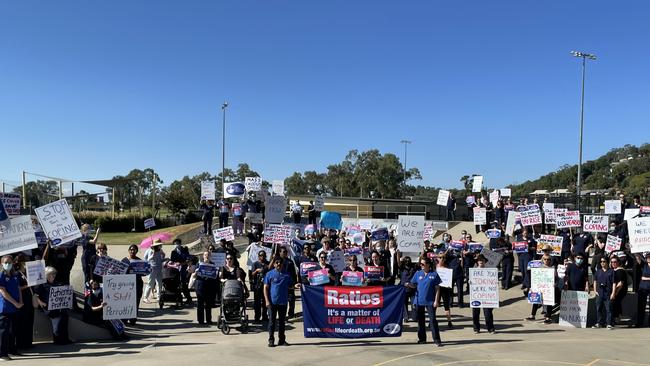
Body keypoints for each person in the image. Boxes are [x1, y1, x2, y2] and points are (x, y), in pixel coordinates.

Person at [408, 257, 442, 347]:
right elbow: (413, 285)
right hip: (419, 301)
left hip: (430, 301)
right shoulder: (418, 273)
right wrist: (408, 284)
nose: (421, 265)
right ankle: (422, 338)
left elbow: (438, 289)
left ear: (428, 264)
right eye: (420, 264)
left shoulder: (434, 274)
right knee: (421, 321)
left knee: (433, 320)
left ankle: (437, 340)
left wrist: (436, 300)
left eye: (423, 264)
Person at [34, 266, 72, 345]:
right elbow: (35, 296)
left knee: (65, 317)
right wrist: (41, 303)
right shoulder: (41, 285)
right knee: (57, 320)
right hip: (48, 307)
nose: (53, 276)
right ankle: (58, 340)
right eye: (51, 274)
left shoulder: (56, 283)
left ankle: (65, 339)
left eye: (54, 274)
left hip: (58, 306)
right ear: (46, 275)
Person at [264, 258, 291, 347]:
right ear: (274, 264)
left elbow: (290, 286)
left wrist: (296, 285)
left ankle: (282, 340)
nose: (278, 264)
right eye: (277, 262)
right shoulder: (269, 274)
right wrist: (267, 300)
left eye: (280, 262)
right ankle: (271, 340)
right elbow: (265, 288)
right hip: (272, 302)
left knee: (282, 322)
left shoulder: (286, 274)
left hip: (283, 302)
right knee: (272, 322)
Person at [0, 255, 22, 360]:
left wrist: (20, 301)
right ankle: (2, 354)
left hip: (15, 307)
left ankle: (12, 350)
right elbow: (3, 292)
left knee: (13, 330)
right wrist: (15, 303)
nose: (8, 264)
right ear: (2, 264)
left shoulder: (15, 275)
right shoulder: (1, 275)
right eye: (6, 262)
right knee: (3, 331)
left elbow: (18, 289)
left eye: (9, 262)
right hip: (5, 307)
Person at [525, 254, 557, 324]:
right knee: (536, 301)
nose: (546, 261)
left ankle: (548, 317)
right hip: (539, 287)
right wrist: (532, 286)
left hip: (548, 289)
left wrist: (555, 283)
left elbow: (556, 279)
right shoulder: (538, 268)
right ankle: (532, 315)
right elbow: (534, 278)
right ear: (542, 260)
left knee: (548, 302)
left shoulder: (552, 269)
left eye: (548, 259)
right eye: (545, 259)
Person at [472, 254, 495, 334]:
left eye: (482, 260)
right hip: (476, 294)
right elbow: (470, 281)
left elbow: (493, 283)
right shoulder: (473, 271)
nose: (481, 261)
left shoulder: (489, 271)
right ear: (477, 262)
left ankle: (490, 328)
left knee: (488, 312)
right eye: (479, 260)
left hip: (486, 295)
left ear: (485, 262)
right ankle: (476, 328)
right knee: (475, 312)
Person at [194, 251, 218, 325]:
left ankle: (208, 320)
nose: (206, 256)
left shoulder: (213, 264)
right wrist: (196, 271)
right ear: (203, 256)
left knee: (208, 304)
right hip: (200, 286)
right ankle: (200, 320)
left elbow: (215, 276)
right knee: (200, 304)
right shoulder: (199, 264)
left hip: (209, 286)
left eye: (208, 255)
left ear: (210, 256)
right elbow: (194, 275)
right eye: (205, 255)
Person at [276, 247, 297, 318]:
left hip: (289, 284)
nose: (285, 253)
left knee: (291, 299)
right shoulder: (276, 262)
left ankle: (291, 313)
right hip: (280, 284)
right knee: (282, 301)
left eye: (286, 252)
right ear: (279, 252)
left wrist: (295, 283)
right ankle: (282, 315)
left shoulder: (290, 262)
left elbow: (293, 273)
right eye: (283, 252)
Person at [593, 256, 614, 329]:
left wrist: (613, 293)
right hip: (599, 292)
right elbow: (595, 281)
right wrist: (595, 290)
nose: (602, 263)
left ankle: (609, 323)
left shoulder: (611, 271)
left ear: (607, 262)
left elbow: (614, 283)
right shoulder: (598, 271)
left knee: (608, 309)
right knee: (599, 308)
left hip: (608, 293)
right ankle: (599, 323)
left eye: (604, 261)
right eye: (601, 262)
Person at [170, 239, 193, 306]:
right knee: (177, 284)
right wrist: (174, 263)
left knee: (184, 284)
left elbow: (188, 259)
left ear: (180, 243)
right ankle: (179, 299)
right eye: (175, 244)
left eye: (177, 243)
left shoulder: (185, 249)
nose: (176, 245)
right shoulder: (173, 252)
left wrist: (182, 263)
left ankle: (188, 298)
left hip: (184, 269)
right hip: (176, 269)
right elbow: (172, 260)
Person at [250, 250, 270, 323]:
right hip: (257, 286)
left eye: (264, 255)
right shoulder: (255, 264)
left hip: (266, 286)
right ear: (258, 256)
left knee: (265, 302)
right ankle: (257, 317)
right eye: (261, 255)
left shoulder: (268, 264)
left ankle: (265, 316)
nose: (262, 257)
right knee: (257, 303)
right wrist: (256, 271)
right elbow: (251, 274)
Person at [436, 253, 454, 329]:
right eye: (440, 257)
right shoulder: (434, 267)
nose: (442, 259)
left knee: (446, 306)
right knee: (434, 305)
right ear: (437, 258)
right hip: (436, 288)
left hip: (444, 288)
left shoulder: (447, 268)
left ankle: (449, 321)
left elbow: (450, 278)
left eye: (443, 257)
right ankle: (432, 320)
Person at [611, 255, 628, 324]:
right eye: (612, 262)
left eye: (615, 262)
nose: (613, 263)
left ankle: (617, 318)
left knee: (615, 303)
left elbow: (621, 283)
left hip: (620, 290)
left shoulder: (620, 270)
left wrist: (615, 292)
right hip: (617, 290)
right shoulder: (614, 270)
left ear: (618, 262)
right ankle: (617, 317)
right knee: (616, 304)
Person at [635, 252, 650, 328]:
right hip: (643, 287)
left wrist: (645, 278)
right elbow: (638, 259)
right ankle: (639, 323)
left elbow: (643, 277)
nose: (648, 259)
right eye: (647, 257)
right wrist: (636, 253)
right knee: (641, 306)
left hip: (647, 285)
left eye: (649, 257)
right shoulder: (644, 265)